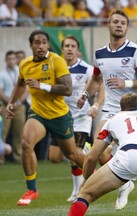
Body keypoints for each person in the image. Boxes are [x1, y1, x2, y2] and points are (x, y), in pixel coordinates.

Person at [77, 10, 137, 214]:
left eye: (123, 22)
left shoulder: (135, 51)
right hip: (112, 111)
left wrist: (127, 83)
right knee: (97, 152)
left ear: (127, 27)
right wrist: (85, 95)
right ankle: (122, 185)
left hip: (135, 111)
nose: (119, 25)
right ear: (108, 25)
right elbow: (96, 79)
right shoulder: (99, 54)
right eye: (115, 22)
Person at [5, 29, 85, 206]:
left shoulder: (57, 61)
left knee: (70, 153)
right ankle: (32, 189)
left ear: (48, 45)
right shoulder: (25, 65)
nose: (41, 46)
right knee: (26, 143)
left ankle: (95, 174)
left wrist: (42, 86)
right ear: (31, 45)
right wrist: (11, 102)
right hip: (38, 113)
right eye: (37, 43)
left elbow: (67, 89)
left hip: (59, 115)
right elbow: (20, 84)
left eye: (44, 43)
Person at [48, 35, 104, 202]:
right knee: (55, 157)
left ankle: (80, 190)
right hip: (60, 118)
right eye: (67, 46)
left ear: (77, 50)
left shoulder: (86, 69)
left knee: (74, 154)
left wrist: (95, 106)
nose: (70, 49)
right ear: (62, 49)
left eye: (73, 46)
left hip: (81, 118)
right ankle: (86, 158)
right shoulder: (56, 68)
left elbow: (100, 87)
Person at [0, 50, 27, 164]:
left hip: (19, 106)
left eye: (13, 59)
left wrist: (19, 102)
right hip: (6, 105)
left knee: (19, 132)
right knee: (3, 131)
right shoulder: (2, 74)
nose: (11, 61)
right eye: (9, 59)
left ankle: (18, 156)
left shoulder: (21, 72)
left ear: (16, 60)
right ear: (6, 60)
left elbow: (26, 89)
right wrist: (10, 102)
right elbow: (0, 92)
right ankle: (1, 157)